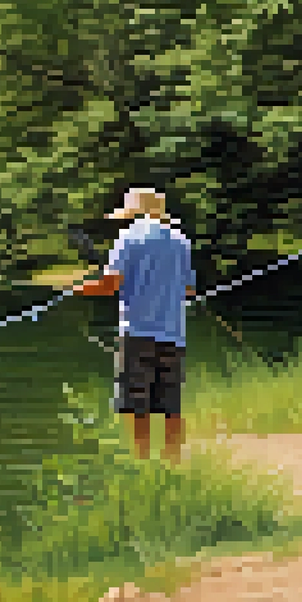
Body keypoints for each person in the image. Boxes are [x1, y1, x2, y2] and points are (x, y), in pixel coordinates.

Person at [74, 188, 195, 462]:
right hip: (174, 334)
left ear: (133, 214)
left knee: (135, 405)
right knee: (171, 407)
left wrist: (78, 289)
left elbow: (109, 285)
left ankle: (141, 466)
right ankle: (172, 465)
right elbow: (188, 290)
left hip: (138, 332)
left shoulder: (127, 238)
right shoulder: (181, 241)